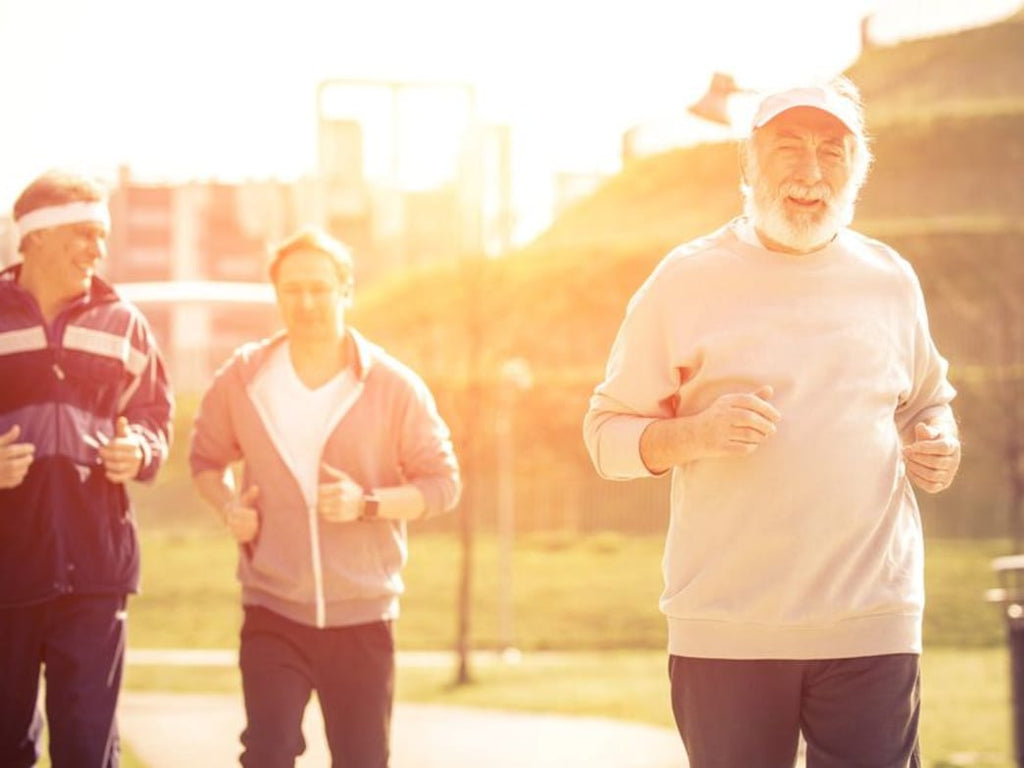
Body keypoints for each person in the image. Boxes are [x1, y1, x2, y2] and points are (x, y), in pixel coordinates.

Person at [583, 77, 961, 768]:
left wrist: (939, 440)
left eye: (833, 151)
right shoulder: (685, 280)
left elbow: (929, 401)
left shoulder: (890, 279)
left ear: (858, 170)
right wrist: (694, 435)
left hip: (872, 622)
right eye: (789, 148)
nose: (811, 172)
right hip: (729, 628)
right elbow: (606, 437)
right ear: (747, 166)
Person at [189, 225, 461, 767]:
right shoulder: (243, 379)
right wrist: (227, 507)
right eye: (293, 289)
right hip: (272, 607)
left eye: (319, 287)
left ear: (345, 291)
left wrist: (368, 503)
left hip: (362, 617)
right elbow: (206, 460)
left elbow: (443, 484)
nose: (306, 302)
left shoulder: (392, 385)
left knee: (361, 759)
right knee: (266, 752)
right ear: (277, 294)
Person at [0, 169, 174, 767]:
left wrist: (141, 452)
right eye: (82, 232)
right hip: (6, 571)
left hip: (95, 570)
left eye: (102, 234)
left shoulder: (123, 323)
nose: (97, 249)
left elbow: (154, 415)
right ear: (35, 238)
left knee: (87, 749)